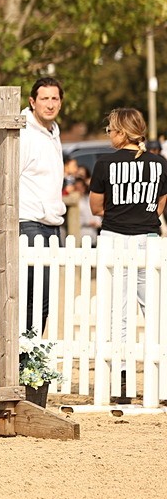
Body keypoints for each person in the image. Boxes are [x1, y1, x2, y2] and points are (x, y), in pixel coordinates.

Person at [89, 108, 167, 354]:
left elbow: (95, 207)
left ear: (121, 133)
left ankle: (121, 370)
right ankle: (163, 369)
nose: (109, 134)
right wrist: (140, 213)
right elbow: (159, 204)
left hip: (115, 237)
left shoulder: (104, 163)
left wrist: (119, 211)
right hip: (148, 239)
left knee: (116, 308)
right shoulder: (159, 163)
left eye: (110, 130)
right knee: (155, 308)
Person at [19, 77, 65, 333]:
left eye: (54, 98)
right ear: (32, 101)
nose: (50, 104)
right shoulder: (24, 135)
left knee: (44, 299)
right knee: (32, 296)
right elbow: (2, 176)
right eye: (44, 98)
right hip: (29, 223)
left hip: (51, 225)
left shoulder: (52, 133)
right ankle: (21, 357)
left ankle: (29, 354)